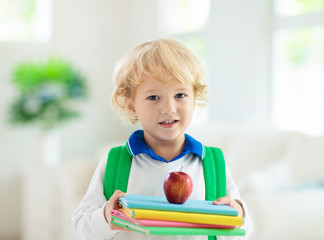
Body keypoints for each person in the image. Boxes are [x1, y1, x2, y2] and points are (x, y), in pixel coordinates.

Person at [72, 39, 253, 240]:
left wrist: (239, 213)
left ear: (195, 98)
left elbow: (242, 232)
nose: (168, 108)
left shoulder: (212, 163)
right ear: (131, 105)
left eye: (180, 95)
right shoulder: (115, 163)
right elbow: (82, 227)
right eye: (153, 97)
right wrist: (106, 215)